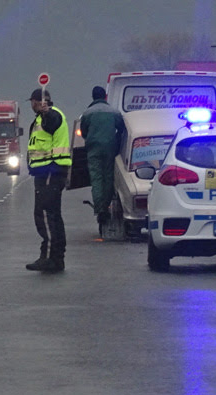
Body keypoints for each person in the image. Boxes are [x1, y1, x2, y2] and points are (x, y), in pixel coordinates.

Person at [25, 88, 71, 273]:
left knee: (46, 214)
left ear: (38, 102)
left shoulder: (52, 115)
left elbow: (52, 122)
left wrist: (47, 111)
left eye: (33, 102)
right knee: (50, 214)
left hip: (50, 170)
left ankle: (51, 258)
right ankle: (53, 257)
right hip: (45, 172)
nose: (31, 105)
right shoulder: (39, 119)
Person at [79, 86, 126, 226]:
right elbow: (121, 128)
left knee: (97, 178)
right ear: (105, 96)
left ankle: (100, 209)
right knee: (109, 176)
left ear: (93, 97)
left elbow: (83, 131)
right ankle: (107, 204)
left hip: (94, 149)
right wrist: (114, 140)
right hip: (110, 148)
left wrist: (91, 140)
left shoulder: (87, 113)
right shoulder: (114, 112)